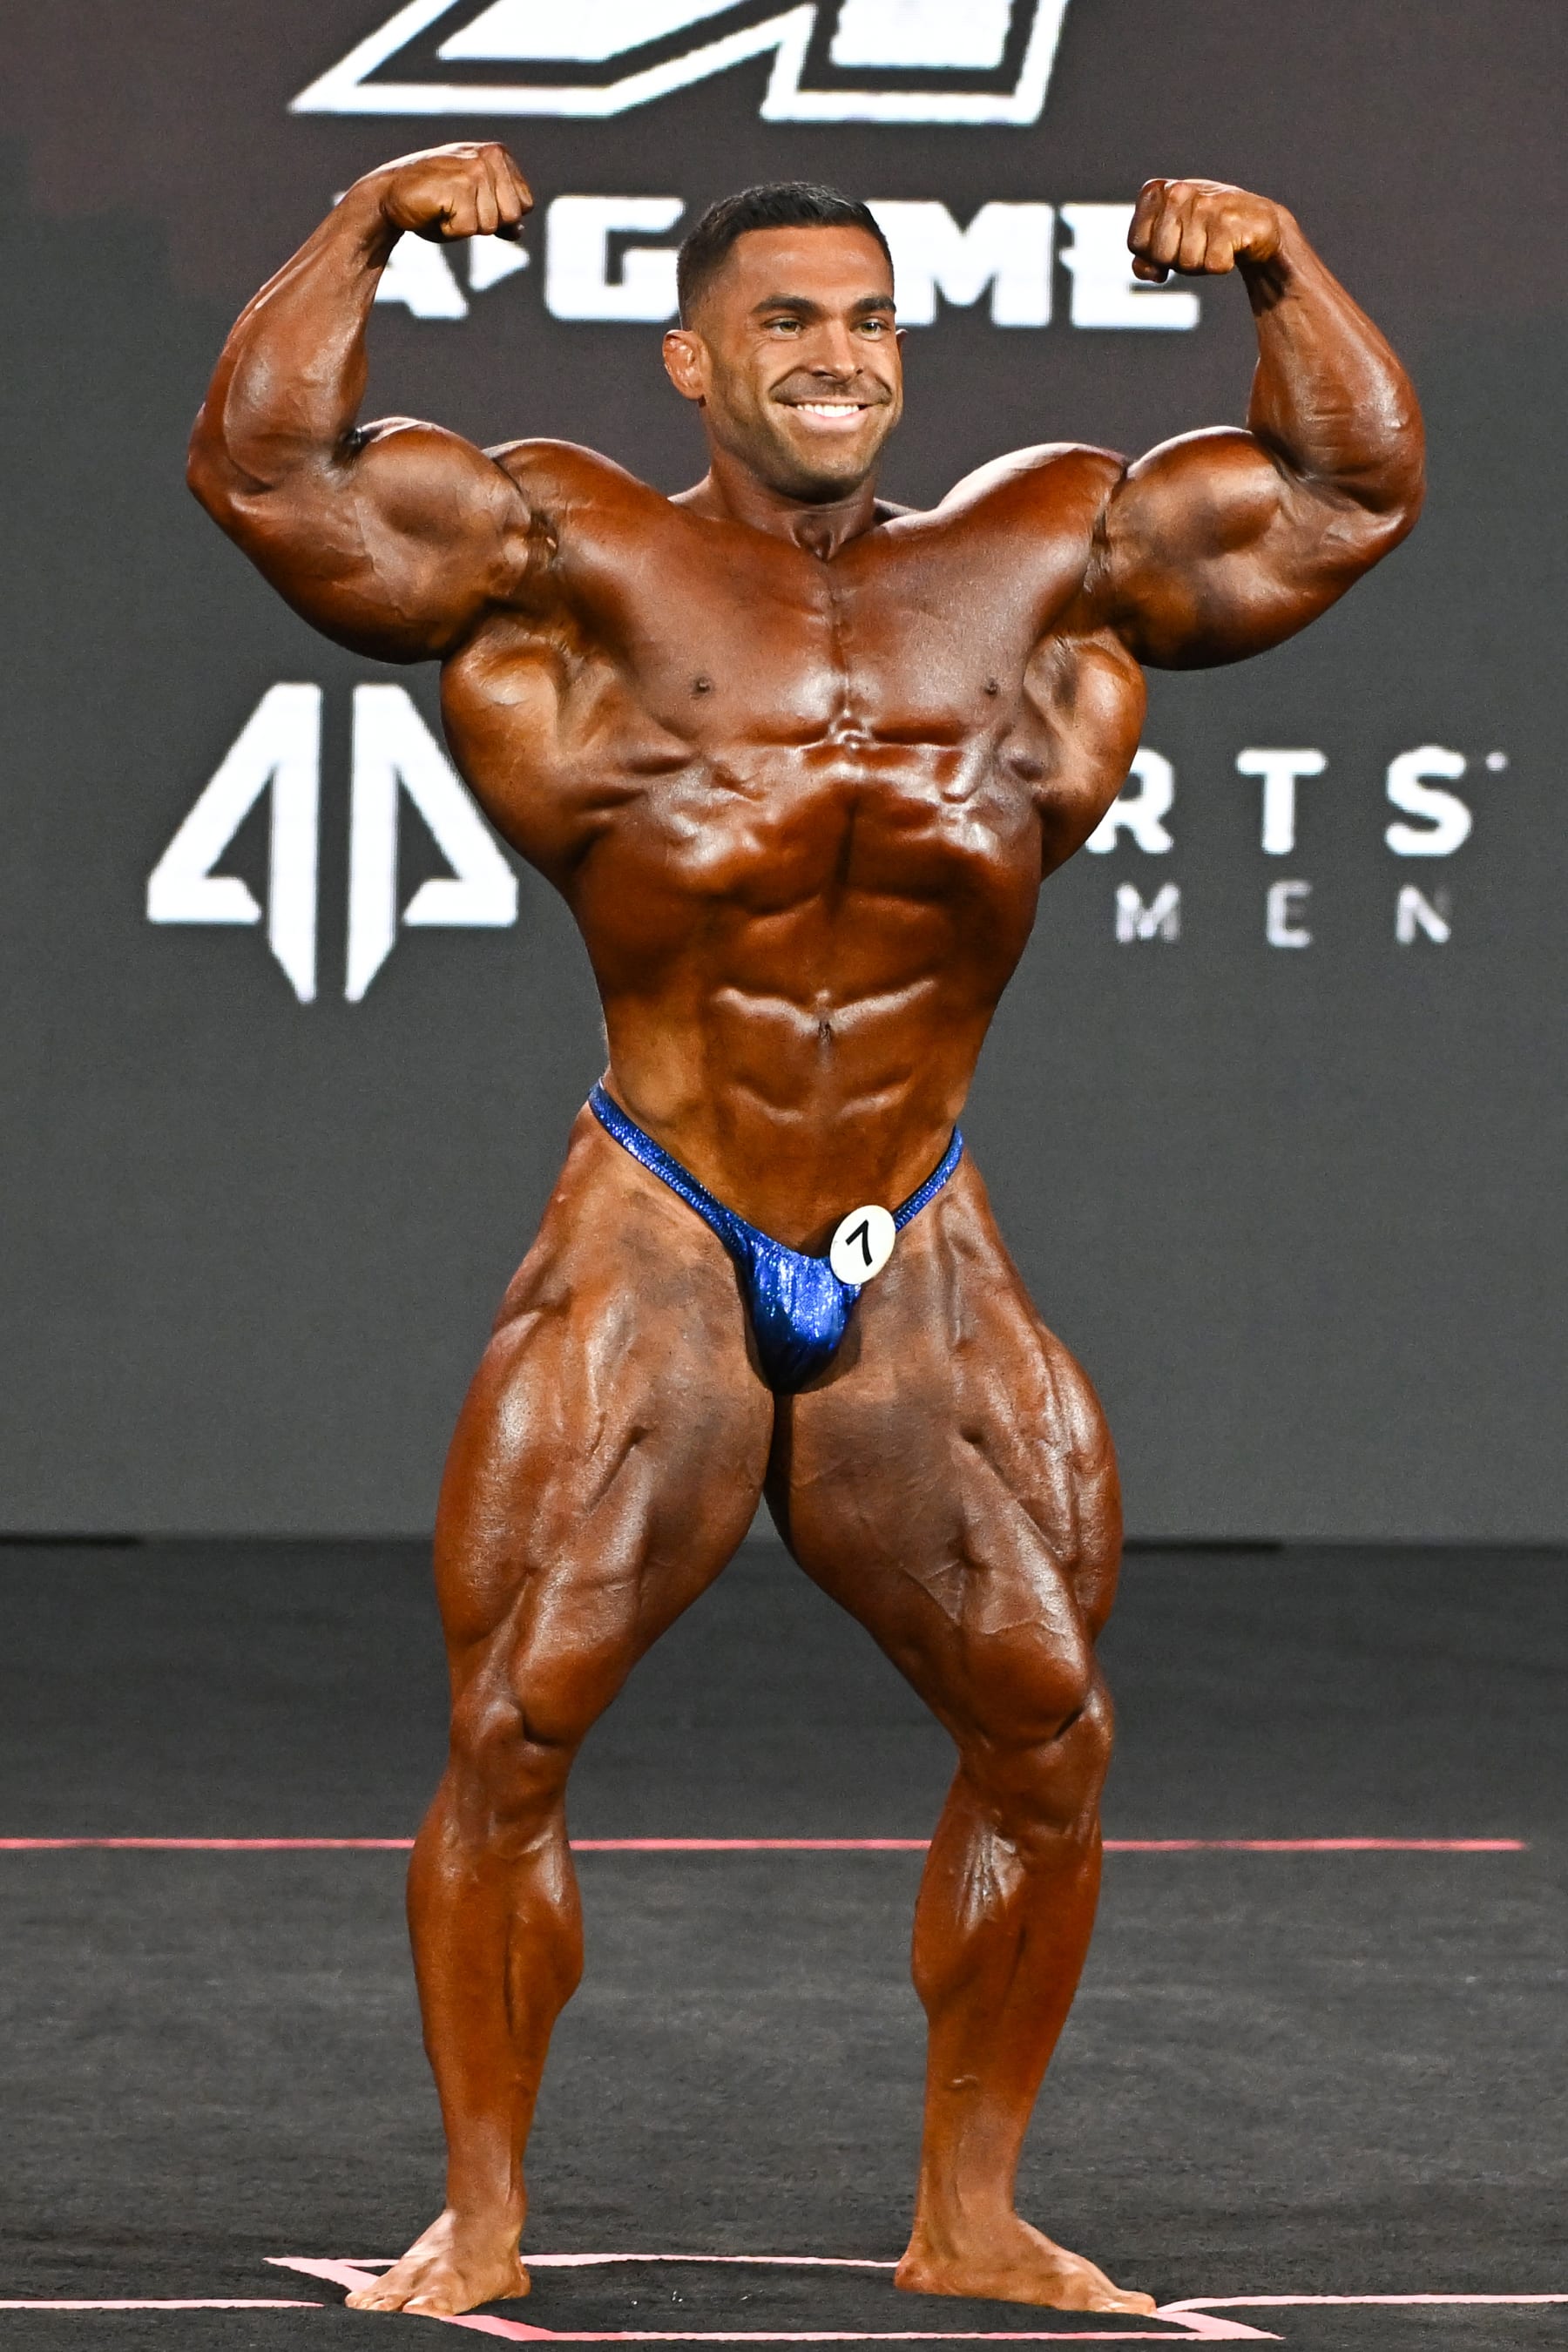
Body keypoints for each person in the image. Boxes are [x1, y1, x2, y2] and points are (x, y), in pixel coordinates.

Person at [187, 150, 1423, 2319]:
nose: (840, 356)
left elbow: (1348, 490)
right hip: (662, 1217)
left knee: (1049, 1734)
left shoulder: (1039, 555)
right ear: (694, 359)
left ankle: (974, 2216)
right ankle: (483, 2208)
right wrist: (367, 221)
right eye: (787, 321)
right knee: (517, 1727)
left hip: (914, 1229)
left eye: (867, 320)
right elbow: (271, 474)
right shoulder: (571, 546)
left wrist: (1284, 265)